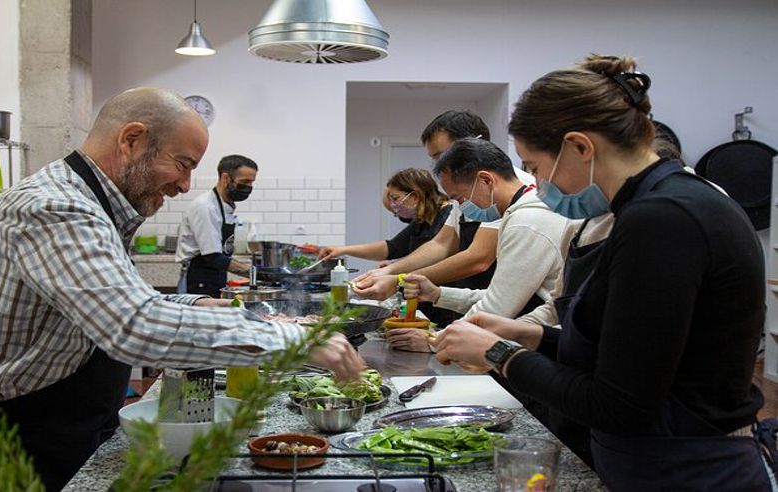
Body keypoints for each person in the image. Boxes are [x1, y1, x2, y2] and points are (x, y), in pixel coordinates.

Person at [0, 87, 364, 491]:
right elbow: (132, 325)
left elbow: (109, 299)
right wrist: (293, 340)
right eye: (182, 164)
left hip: (61, 420)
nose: (185, 185)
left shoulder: (88, 205)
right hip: (15, 436)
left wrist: (195, 301)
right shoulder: (56, 207)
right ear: (132, 139)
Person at [433, 55, 778, 491]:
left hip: (687, 469)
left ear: (580, 146)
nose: (538, 186)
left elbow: (620, 403)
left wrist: (499, 354)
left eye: (537, 168)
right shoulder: (656, 207)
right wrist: (532, 335)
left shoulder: (663, 219)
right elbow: (629, 350)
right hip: (656, 461)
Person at [354, 111, 535, 332]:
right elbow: (442, 244)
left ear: (471, 145)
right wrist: (388, 273)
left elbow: (478, 258)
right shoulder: (469, 192)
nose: (439, 165)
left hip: (508, 318)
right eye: (434, 159)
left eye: (442, 155)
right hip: (477, 305)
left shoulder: (514, 194)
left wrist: (399, 281)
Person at [318, 168, 452, 263]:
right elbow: (391, 248)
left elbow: (438, 257)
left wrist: (395, 270)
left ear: (415, 196)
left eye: (395, 198)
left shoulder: (448, 215)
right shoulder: (421, 222)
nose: (394, 206)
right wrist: (343, 250)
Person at [176, 154, 257, 297]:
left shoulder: (225, 205)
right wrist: (258, 275)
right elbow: (213, 257)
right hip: (197, 279)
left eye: (251, 182)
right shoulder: (206, 207)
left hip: (214, 276)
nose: (248, 187)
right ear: (226, 178)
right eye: (244, 181)